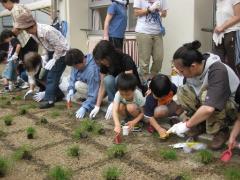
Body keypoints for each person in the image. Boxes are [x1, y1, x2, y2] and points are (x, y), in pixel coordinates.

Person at [167, 40, 239, 150]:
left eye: (181, 71)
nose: (180, 74)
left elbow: (209, 108)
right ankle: (200, 124)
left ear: (193, 66)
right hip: (208, 102)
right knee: (182, 92)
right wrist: (186, 120)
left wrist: (186, 125)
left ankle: (221, 129)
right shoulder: (191, 72)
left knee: (206, 96)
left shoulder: (217, 70)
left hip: (231, 106)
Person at [14, 12, 69, 109]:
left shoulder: (46, 31)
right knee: (46, 75)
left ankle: (49, 100)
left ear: (31, 26)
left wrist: (54, 59)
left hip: (62, 53)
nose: (26, 32)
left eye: (26, 30)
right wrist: (46, 56)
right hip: (52, 52)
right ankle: (58, 95)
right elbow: (45, 45)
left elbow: (60, 47)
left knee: (52, 76)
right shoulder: (34, 34)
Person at [89, 40, 142, 120]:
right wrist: (97, 106)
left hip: (132, 90)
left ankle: (116, 105)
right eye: (101, 60)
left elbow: (128, 84)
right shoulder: (104, 64)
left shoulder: (126, 59)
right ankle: (114, 105)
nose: (102, 62)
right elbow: (102, 85)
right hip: (120, 93)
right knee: (107, 79)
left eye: (103, 59)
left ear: (110, 55)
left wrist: (115, 102)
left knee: (119, 78)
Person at [133, 0, 167, 83]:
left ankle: (152, 81)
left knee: (159, 58)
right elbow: (136, 12)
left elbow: (165, 14)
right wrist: (149, 9)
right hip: (143, 31)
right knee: (144, 61)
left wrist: (159, 11)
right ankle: (145, 84)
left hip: (157, 32)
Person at [65, 48, 100, 119]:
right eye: (73, 66)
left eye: (76, 66)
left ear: (83, 60)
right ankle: (88, 100)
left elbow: (93, 93)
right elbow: (72, 78)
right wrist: (71, 89)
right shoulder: (77, 61)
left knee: (77, 84)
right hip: (89, 86)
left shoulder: (91, 70)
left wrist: (84, 107)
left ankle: (94, 101)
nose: (75, 68)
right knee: (69, 80)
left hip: (97, 90)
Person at [144, 74, 182, 139]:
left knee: (181, 102)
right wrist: (159, 129)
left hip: (168, 106)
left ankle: (173, 117)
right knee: (158, 111)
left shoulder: (172, 87)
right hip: (157, 111)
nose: (160, 98)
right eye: (157, 96)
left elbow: (177, 94)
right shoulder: (150, 98)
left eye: (162, 96)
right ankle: (153, 124)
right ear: (151, 90)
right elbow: (150, 117)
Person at [213, 0, 240, 78]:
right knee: (216, 63)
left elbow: (238, 16)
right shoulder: (218, 2)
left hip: (233, 32)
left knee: (234, 64)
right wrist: (217, 26)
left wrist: (222, 27)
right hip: (220, 36)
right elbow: (222, 17)